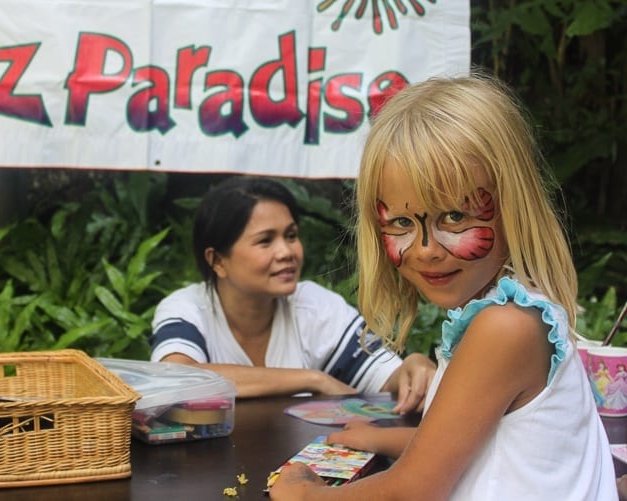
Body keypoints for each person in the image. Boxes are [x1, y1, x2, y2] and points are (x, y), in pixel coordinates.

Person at [269, 74, 617, 499]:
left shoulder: (505, 328)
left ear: (513, 204)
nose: (427, 249)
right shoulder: (511, 312)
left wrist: (304, 494)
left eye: (454, 217)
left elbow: (415, 491)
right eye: (401, 223)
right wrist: (382, 438)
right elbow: (478, 442)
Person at [150, 176, 436, 413]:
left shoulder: (314, 306)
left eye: (290, 235)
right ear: (217, 261)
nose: (287, 252)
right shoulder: (186, 309)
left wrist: (410, 371)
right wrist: (311, 380)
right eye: (265, 241)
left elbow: (385, 380)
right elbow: (177, 379)